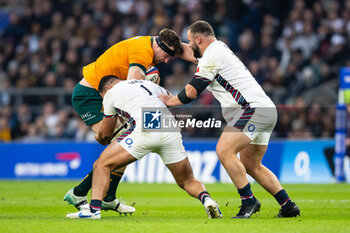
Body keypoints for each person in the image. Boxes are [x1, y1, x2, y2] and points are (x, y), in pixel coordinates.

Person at [159, 20, 300, 218]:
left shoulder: (211, 56)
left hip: (251, 109)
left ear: (198, 39)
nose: (189, 45)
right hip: (265, 109)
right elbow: (187, 52)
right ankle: (287, 205)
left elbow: (190, 93)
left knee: (224, 150)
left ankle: (248, 201)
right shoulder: (219, 49)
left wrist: (169, 101)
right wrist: (159, 44)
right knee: (252, 164)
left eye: (190, 41)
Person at [64, 28, 196, 214]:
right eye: (167, 55)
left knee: (126, 142)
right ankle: (80, 193)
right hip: (91, 95)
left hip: (107, 92)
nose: (167, 60)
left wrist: (208, 62)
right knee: (124, 139)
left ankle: (107, 198)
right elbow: (133, 86)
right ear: (160, 46)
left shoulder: (152, 44)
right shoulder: (142, 53)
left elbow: (183, 50)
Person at [66, 75, 222, 219]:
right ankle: (207, 200)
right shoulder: (148, 84)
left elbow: (106, 134)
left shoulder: (110, 94)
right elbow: (170, 100)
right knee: (187, 180)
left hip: (145, 129)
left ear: (106, 89)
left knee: (102, 164)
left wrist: (99, 136)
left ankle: (93, 211)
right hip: (169, 128)